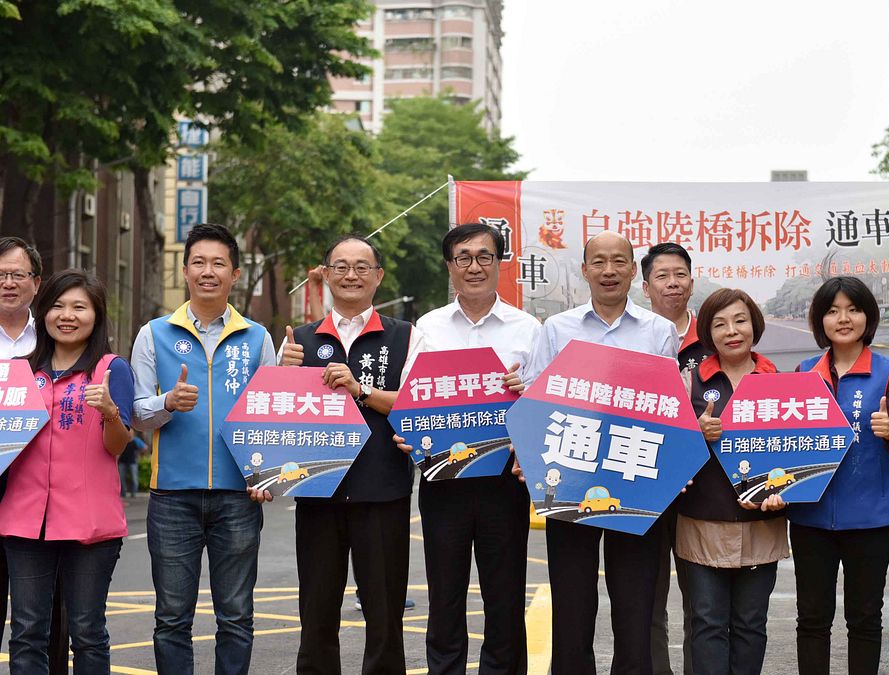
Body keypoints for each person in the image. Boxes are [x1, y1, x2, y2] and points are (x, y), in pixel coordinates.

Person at [520, 230, 680, 675]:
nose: (609, 271)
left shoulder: (660, 331)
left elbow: (671, 409)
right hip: (569, 478)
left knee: (636, 605)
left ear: (633, 270)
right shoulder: (556, 329)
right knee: (571, 603)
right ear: (585, 269)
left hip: (638, 481)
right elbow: (533, 401)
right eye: (599, 262)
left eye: (619, 262)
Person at [131, 223, 276, 675]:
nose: (208, 272)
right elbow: (136, 412)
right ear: (185, 270)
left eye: (218, 264)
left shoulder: (257, 337)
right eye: (199, 262)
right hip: (172, 496)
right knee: (172, 617)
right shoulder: (153, 334)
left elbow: (271, 417)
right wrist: (167, 403)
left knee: (236, 616)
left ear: (235, 274)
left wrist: (266, 477)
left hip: (238, 496)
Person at [278, 234, 424, 674]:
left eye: (362, 266)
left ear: (378, 277)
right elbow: (276, 418)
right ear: (325, 275)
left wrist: (361, 390)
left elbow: (417, 405)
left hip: (383, 492)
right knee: (316, 614)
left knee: (384, 616)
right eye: (340, 266)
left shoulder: (404, 335)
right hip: (318, 493)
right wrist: (283, 375)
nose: (351, 275)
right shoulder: (298, 341)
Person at [412, 223, 538, 675]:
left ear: (500, 264)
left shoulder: (528, 328)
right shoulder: (428, 326)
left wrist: (525, 390)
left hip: (505, 478)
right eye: (463, 257)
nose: (474, 266)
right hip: (442, 476)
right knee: (444, 594)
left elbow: (546, 405)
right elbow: (413, 400)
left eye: (485, 256)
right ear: (450, 267)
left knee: (504, 595)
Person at [0, 270, 134, 673]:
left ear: (96, 316)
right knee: (26, 632)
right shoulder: (20, 372)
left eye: (79, 306)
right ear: (44, 312)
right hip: (25, 520)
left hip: (91, 523)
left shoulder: (113, 369)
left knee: (88, 632)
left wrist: (111, 413)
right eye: (58, 306)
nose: (67, 315)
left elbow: (117, 446)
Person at [788, 276, 889, 675]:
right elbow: (788, 443)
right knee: (812, 618)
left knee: (864, 620)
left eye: (853, 309)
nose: (844, 318)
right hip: (811, 516)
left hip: (872, 516)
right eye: (832, 310)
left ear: (867, 316)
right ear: (820, 320)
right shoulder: (803, 372)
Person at [676, 288, 787, 675]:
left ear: (754, 325)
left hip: (762, 523)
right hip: (703, 522)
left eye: (740, 320)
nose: (732, 331)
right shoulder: (688, 381)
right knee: (706, 623)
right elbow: (666, 448)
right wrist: (694, 431)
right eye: (720, 324)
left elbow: (796, 453)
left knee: (751, 625)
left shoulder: (782, 383)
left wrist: (784, 494)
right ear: (707, 333)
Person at [0, 236, 70, 674]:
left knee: (42, 616)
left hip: (43, 486)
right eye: (1, 275)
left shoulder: (56, 333)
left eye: (17, 275)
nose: (8, 283)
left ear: (36, 282)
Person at [641, 242, 711, 675]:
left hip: (703, 486)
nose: (672, 283)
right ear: (645, 285)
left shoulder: (716, 337)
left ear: (691, 280)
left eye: (679, 274)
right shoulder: (634, 337)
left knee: (702, 601)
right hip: (645, 478)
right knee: (647, 599)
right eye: (662, 275)